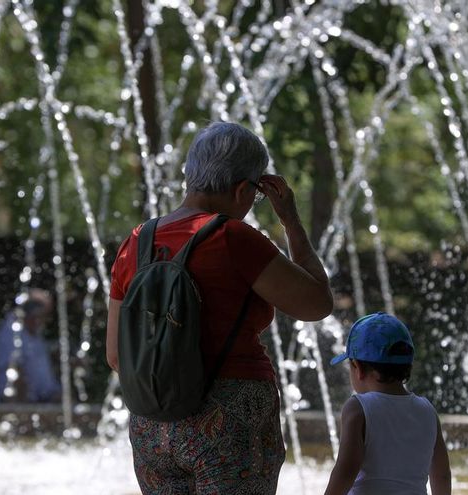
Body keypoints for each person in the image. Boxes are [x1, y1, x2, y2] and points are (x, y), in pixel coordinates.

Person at [107, 122, 333, 494]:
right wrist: (290, 220)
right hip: (230, 419)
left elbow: (116, 355)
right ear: (244, 189)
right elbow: (317, 304)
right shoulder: (233, 238)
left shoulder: (137, 241)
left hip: (152, 425)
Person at [324, 312, 451, 495]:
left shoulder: (358, 407)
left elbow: (345, 471)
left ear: (358, 368)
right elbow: (442, 475)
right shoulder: (427, 410)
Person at [0, 289, 62, 403]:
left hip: (42, 399)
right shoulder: (12, 332)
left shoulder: (33, 332)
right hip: (19, 402)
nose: (44, 321)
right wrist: (26, 410)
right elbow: (15, 372)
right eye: (43, 315)